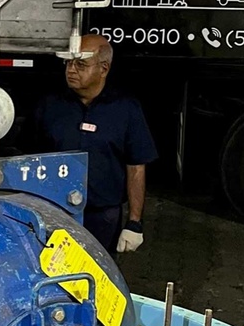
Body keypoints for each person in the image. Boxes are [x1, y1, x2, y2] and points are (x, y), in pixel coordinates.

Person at [28, 34, 157, 256]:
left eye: (81, 64)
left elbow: (136, 166)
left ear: (104, 68)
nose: (71, 70)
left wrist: (134, 222)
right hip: (55, 213)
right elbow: (29, 157)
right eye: (68, 62)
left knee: (97, 279)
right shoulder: (50, 105)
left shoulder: (126, 109)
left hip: (102, 217)